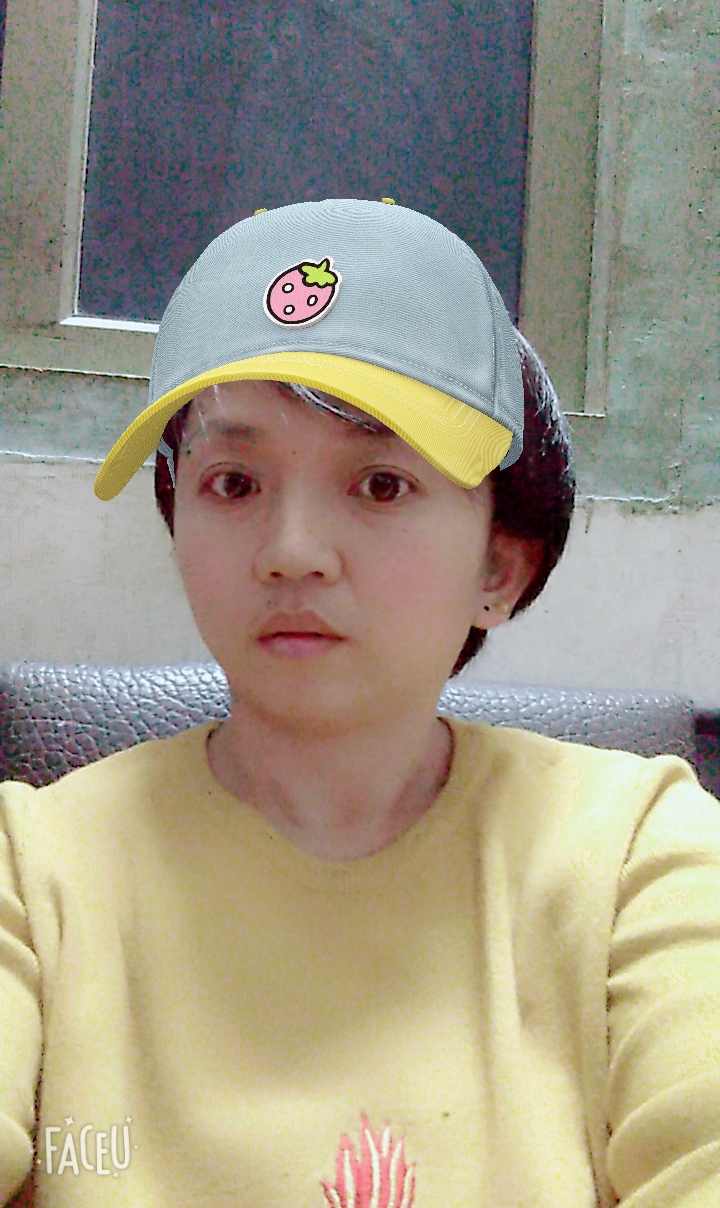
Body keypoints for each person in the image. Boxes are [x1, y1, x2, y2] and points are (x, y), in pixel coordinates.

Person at [1, 198, 718, 1206]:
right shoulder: (32, 870)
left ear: (500, 566)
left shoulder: (641, 855)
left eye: (380, 484)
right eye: (233, 482)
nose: (291, 550)